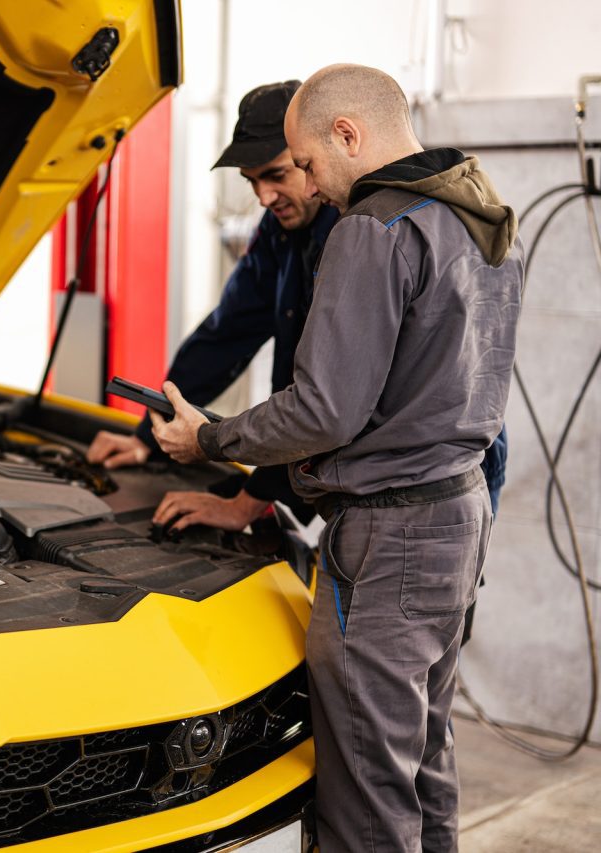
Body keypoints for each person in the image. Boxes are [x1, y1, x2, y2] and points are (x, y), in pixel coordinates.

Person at [149, 64, 522, 853]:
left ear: (347, 134)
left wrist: (207, 440)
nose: (311, 188)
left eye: (307, 165)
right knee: (422, 758)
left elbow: (324, 409)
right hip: (460, 513)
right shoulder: (478, 212)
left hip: (389, 539)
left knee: (364, 787)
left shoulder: (373, 227)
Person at [87, 81, 508, 534]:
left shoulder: (362, 230)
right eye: (252, 182)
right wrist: (152, 436)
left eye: (280, 172)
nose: (266, 197)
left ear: (327, 146)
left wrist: (245, 500)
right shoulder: (282, 228)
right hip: (381, 496)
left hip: (425, 496)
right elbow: (226, 334)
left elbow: (319, 405)